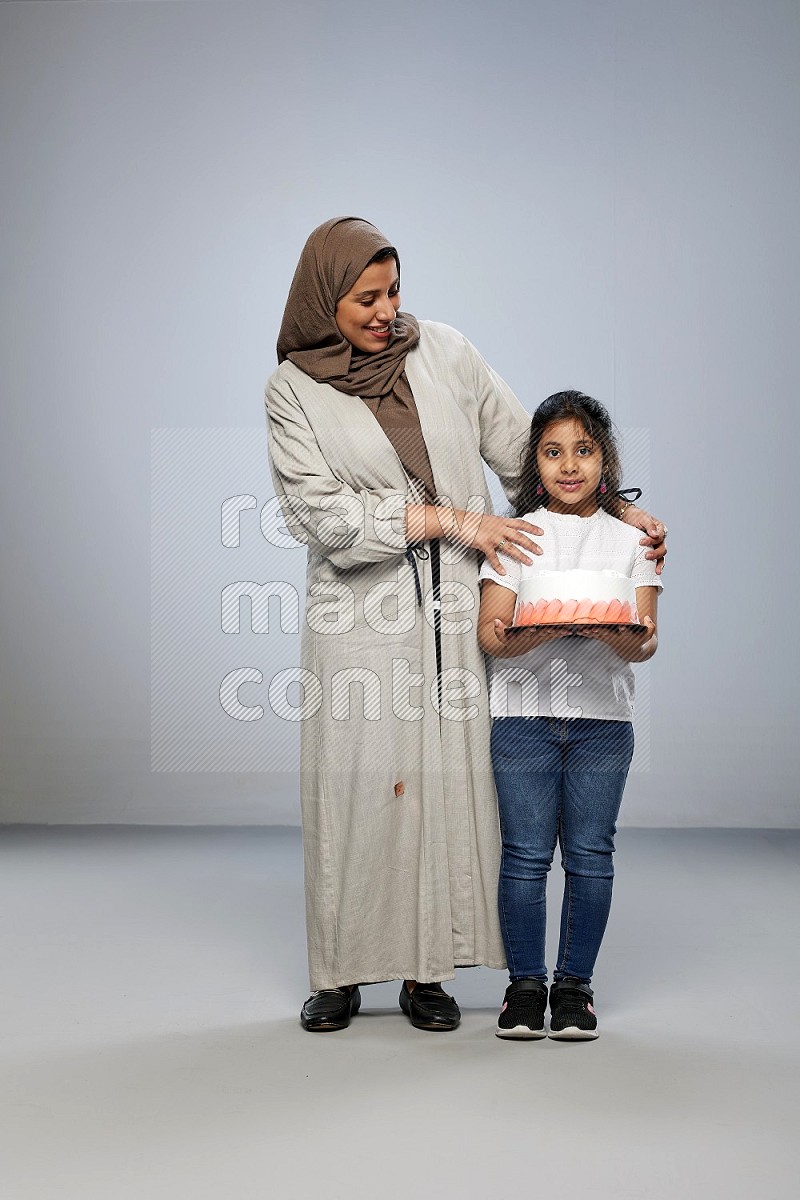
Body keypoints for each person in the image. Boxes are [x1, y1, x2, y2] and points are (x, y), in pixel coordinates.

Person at [264, 218, 667, 1033]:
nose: (386, 311)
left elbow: (531, 454)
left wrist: (617, 507)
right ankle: (340, 973)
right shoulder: (292, 391)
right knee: (357, 789)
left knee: (446, 791)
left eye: (394, 290)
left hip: (458, 609)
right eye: (365, 298)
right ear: (323, 300)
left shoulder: (443, 349)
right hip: (360, 618)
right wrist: (455, 519)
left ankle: (427, 973)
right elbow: (322, 515)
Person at [477, 390, 662, 1041]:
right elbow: (493, 636)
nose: (569, 465)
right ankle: (524, 987)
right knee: (525, 856)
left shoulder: (632, 539)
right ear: (535, 461)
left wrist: (599, 628)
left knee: (590, 855)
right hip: (522, 717)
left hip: (602, 724)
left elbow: (643, 642)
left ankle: (575, 988)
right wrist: (543, 630)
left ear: (603, 458)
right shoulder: (516, 536)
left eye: (583, 450)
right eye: (553, 451)